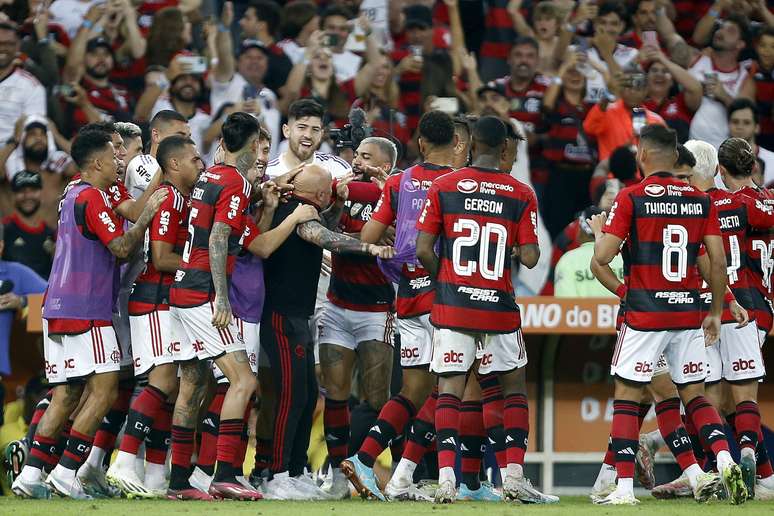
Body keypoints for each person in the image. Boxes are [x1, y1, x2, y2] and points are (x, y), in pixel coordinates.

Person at [589, 124, 746, 505]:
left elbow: (602, 259)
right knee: (694, 395)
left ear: (642, 154)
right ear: (675, 156)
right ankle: (724, 460)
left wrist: (604, 245)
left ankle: (624, 488)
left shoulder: (631, 198)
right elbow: (717, 261)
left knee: (628, 396)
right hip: (687, 314)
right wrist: (714, 310)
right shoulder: (699, 200)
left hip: (644, 314)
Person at [11, 130, 165, 500]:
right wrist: (148, 215)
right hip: (87, 308)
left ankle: (30, 475)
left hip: (55, 306)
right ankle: (66, 472)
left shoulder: (73, 191)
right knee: (106, 388)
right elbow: (122, 248)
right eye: (113, 159)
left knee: (65, 393)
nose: (119, 164)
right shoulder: (93, 198)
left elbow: (122, 212)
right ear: (97, 163)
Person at [413, 115, 553, 504]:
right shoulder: (521, 193)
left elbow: (423, 248)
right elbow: (530, 257)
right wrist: (510, 245)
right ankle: (514, 477)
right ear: (505, 148)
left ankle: (445, 480)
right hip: (499, 308)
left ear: (471, 142)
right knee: (513, 391)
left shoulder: (444, 185)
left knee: (450, 391)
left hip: (454, 304)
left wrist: (447, 281)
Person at [341, 111, 457, 501]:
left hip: (406, 294)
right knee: (451, 387)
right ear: (456, 145)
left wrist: (399, 231)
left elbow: (371, 234)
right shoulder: (458, 184)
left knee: (413, 391)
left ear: (420, 142)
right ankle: (413, 474)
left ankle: (364, 460)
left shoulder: (399, 182)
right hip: (444, 296)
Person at [259, 163, 393, 499]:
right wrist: (369, 247)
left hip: (298, 317)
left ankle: (293, 469)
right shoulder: (298, 212)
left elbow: (325, 226)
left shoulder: (309, 209)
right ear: (321, 194)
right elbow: (326, 238)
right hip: (282, 317)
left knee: (304, 397)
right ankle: (275, 474)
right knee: (292, 398)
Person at [104, 135, 204, 498]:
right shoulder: (168, 200)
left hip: (167, 298)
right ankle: (125, 458)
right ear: (174, 164)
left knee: (170, 385)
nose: (200, 164)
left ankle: (156, 473)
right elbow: (161, 259)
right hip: (153, 297)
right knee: (161, 381)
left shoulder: (183, 198)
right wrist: (205, 267)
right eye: (194, 159)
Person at [688, 136, 774, 498]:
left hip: (720, 301)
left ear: (721, 171)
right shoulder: (764, 203)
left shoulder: (709, 204)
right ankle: (756, 463)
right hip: (756, 308)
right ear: (754, 166)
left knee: (709, 398)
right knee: (743, 396)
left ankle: (711, 467)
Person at [318, 137, 396, 499]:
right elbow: (328, 228)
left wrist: (380, 193)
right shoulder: (342, 190)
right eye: (357, 155)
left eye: (366, 157)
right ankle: (336, 474)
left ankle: (362, 465)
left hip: (377, 308)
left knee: (377, 399)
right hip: (337, 304)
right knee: (334, 394)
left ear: (386, 165)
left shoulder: (398, 196)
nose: (358, 161)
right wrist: (342, 197)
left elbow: (397, 239)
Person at [583, 69, 665, 161]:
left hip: (645, 175)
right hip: (611, 174)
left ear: (646, 91)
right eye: (628, 86)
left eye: (638, 87)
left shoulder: (657, 121)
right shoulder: (606, 111)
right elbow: (588, 128)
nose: (632, 91)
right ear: (620, 89)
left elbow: (664, 155)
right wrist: (608, 93)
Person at [265, 99, 351, 179]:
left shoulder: (338, 169)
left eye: (315, 129)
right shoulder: (269, 174)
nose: (308, 135)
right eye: (302, 127)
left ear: (321, 134)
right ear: (286, 131)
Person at [554, 207, 623, 297]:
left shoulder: (568, 261)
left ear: (581, 231)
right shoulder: (623, 258)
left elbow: (565, 304)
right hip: (621, 311)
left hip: (581, 311)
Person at [2, 170, 55, 279]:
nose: (27, 196)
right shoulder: (4, 230)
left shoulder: (51, 234)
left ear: (41, 194)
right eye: (22, 191)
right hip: (11, 294)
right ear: (13, 196)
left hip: (44, 294)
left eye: (33, 190)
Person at [0, 21, 46, 144]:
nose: (2, 48)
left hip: (12, 154)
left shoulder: (31, 86)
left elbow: (34, 133)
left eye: (9, 44)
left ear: (17, 46)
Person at [237, 0, 293, 93]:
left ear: (261, 25)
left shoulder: (280, 61)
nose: (241, 22)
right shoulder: (241, 51)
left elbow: (286, 99)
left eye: (247, 18)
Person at [725, 98, 774, 186]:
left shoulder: (773, 161)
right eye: (735, 122)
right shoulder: (716, 161)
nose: (740, 127)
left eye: (746, 122)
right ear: (728, 125)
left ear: (757, 127)